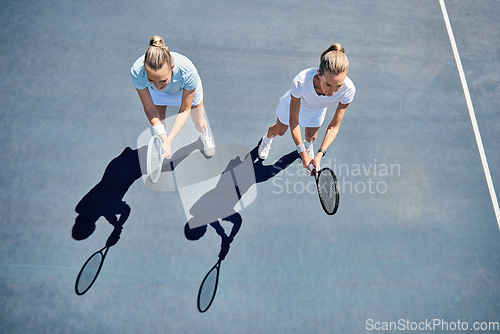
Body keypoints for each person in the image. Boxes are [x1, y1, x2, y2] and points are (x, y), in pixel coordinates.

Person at [258, 43, 355, 173]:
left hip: (316, 110)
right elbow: (294, 121)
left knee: (311, 137)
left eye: (338, 86)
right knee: (280, 131)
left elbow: (334, 126)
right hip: (293, 106)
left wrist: (320, 154)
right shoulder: (301, 82)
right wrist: (303, 154)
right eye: (328, 85)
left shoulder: (349, 90)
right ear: (319, 74)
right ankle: (267, 138)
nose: (333, 91)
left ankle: (308, 145)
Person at [131, 36, 215, 158]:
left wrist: (168, 141)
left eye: (163, 80)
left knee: (199, 123)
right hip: (158, 95)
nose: (158, 85)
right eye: (151, 80)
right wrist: (163, 138)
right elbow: (150, 109)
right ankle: (162, 146)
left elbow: (184, 110)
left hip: (185, 89)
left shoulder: (188, 72)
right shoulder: (137, 72)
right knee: (161, 125)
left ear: (172, 67)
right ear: (144, 68)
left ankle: (205, 135)